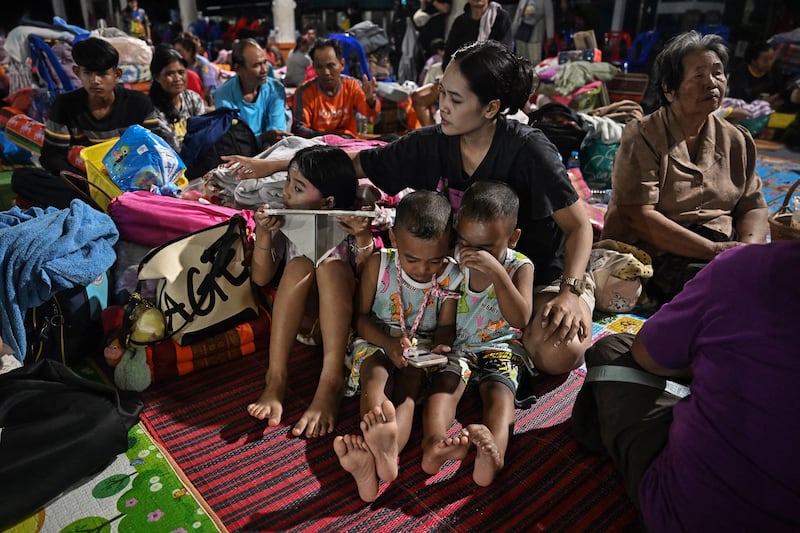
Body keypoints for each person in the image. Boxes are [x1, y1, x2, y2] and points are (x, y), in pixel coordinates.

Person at [223, 40, 594, 376]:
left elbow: (579, 226)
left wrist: (571, 292)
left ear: (491, 107)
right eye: (441, 93)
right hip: (458, 279)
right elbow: (359, 161)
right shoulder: (432, 143)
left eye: (456, 99)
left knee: (559, 353)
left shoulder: (530, 150)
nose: (441, 106)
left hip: (532, 275)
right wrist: (273, 165)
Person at [571, 241, 800, 532]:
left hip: (689, 513)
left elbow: (646, 356)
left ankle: (599, 438)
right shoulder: (744, 267)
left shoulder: (745, 269)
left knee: (613, 351)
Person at [601, 31, 768, 305]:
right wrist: (715, 251)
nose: (711, 83)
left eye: (717, 73)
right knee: (723, 291)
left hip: (723, 247)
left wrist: (748, 251)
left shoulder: (737, 139)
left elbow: (753, 205)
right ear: (669, 89)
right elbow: (638, 216)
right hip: (660, 253)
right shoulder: (643, 135)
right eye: (699, 75)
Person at [333, 190, 462, 502]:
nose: (422, 269)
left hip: (422, 349)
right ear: (393, 238)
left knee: (410, 384)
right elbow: (360, 319)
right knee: (375, 374)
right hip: (376, 339)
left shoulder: (451, 275)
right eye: (412, 258)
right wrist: (389, 344)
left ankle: (383, 457)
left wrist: (441, 348)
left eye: (435, 259)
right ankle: (378, 444)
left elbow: (445, 328)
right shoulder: (380, 264)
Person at [247, 145, 377, 439]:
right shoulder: (284, 219)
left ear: (328, 202)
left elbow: (372, 284)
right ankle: (276, 377)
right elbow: (260, 277)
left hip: (346, 329)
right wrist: (264, 235)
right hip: (304, 325)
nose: (287, 192)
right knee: (298, 266)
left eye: (298, 187)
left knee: (331, 267)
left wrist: (363, 236)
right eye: (288, 182)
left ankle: (331, 379)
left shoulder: (352, 221)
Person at [421, 181, 533, 487]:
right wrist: (442, 343)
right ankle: (434, 444)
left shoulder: (519, 267)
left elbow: (520, 316)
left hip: (501, 347)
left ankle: (492, 455)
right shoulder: (454, 266)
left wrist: (497, 272)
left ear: (513, 239)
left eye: (486, 248)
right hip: (459, 348)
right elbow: (445, 319)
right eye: (466, 242)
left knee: (500, 394)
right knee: (444, 384)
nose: (473, 254)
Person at [11, 37, 169, 209]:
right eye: (88, 73)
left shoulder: (138, 104)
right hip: (84, 180)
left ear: (117, 75)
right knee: (21, 177)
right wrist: (87, 180)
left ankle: (97, 204)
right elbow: (52, 156)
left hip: (133, 179)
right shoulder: (65, 105)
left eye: (102, 74)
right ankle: (97, 202)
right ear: (77, 72)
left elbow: (158, 148)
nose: (95, 80)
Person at [292, 38, 380, 139]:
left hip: (348, 144)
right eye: (320, 67)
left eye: (331, 66)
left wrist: (370, 101)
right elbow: (299, 129)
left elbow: (369, 112)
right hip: (317, 146)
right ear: (314, 67)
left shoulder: (352, 85)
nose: (326, 72)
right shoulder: (304, 92)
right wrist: (333, 138)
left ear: (342, 64)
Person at [214, 38, 291, 149]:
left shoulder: (275, 90)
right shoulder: (223, 96)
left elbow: (277, 132)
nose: (264, 70)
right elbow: (233, 140)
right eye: (256, 65)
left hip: (270, 151)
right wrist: (263, 137)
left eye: (265, 62)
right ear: (238, 68)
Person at [148, 44, 206, 151]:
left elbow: (204, 133)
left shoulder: (193, 98)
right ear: (157, 77)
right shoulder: (151, 109)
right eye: (169, 74)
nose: (177, 78)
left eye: (181, 72)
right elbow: (172, 148)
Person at [444, 0, 513, 68]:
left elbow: (505, 52)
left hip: (492, 71)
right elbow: (449, 54)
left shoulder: (501, 18)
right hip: (463, 72)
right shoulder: (460, 22)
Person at [728, 42, 790, 109]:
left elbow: (782, 90)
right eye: (765, 60)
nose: (770, 63)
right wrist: (762, 103)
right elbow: (738, 100)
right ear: (754, 61)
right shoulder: (739, 74)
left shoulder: (775, 69)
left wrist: (773, 99)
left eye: (772, 59)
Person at [174, 33, 219, 107]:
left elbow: (208, 86)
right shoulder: (180, 64)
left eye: (180, 51)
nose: (177, 54)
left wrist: (197, 102)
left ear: (190, 50)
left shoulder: (203, 64)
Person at [510, 0, 554, 65]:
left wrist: (550, 35)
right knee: (521, 61)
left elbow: (549, 17)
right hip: (521, 35)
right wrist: (511, 34)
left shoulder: (545, 1)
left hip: (536, 37)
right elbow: (517, 18)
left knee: (535, 62)